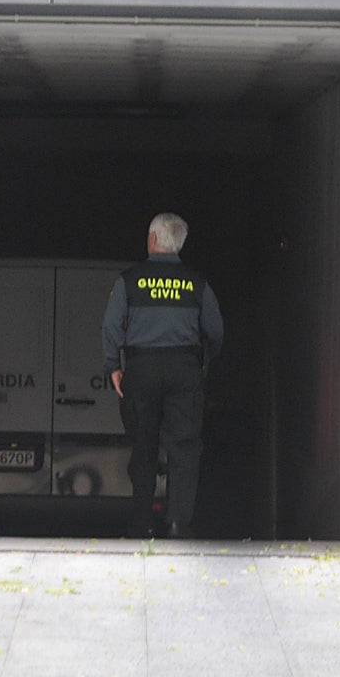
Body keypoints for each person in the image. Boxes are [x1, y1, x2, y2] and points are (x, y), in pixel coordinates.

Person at [102, 212, 224, 539]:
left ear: (154, 240)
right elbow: (215, 331)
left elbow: (112, 326)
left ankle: (141, 522)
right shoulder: (197, 283)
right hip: (184, 369)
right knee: (184, 449)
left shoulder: (129, 280)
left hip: (141, 369)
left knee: (143, 446)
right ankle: (177, 522)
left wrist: (114, 365)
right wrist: (200, 364)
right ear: (179, 243)